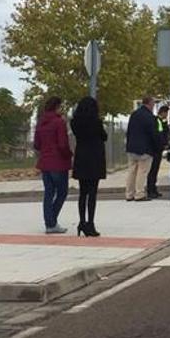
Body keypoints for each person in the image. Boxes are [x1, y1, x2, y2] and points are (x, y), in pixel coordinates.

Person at [34, 96, 72, 234]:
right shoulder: (59, 122)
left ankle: (49, 222)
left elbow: (36, 144)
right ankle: (51, 221)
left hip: (45, 162)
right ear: (57, 106)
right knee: (62, 192)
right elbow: (62, 144)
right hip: (59, 162)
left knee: (48, 193)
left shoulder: (40, 123)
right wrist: (69, 155)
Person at [71, 96, 107, 237]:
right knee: (92, 194)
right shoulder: (96, 122)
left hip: (81, 159)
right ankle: (90, 223)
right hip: (94, 159)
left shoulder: (75, 122)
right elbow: (104, 136)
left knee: (82, 193)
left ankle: (81, 222)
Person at [125, 96, 160, 201]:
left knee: (131, 171)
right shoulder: (150, 117)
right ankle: (139, 194)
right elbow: (153, 134)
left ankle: (129, 194)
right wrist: (158, 146)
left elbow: (129, 131)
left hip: (131, 148)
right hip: (145, 149)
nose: (153, 106)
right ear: (149, 104)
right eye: (153, 104)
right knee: (142, 172)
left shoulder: (134, 115)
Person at [146, 105, 170, 199]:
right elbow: (159, 135)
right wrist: (162, 144)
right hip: (156, 150)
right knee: (153, 171)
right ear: (163, 112)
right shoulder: (158, 121)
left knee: (154, 171)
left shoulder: (160, 121)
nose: (166, 115)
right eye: (166, 113)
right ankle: (151, 190)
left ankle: (153, 189)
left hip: (157, 149)